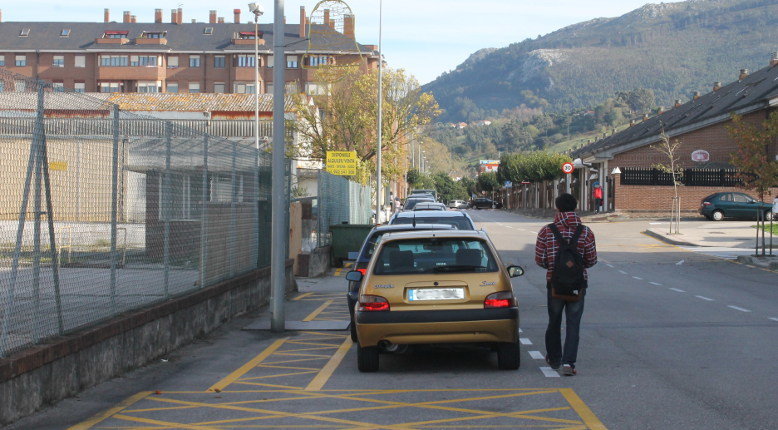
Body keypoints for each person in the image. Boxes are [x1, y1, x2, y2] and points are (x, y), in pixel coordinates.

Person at [535, 193, 597, 376]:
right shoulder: (586, 232)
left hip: (554, 283)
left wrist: (554, 268)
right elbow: (592, 260)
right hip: (578, 284)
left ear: (557, 208)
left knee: (554, 321)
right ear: (575, 208)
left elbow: (539, 259)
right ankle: (568, 363)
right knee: (573, 323)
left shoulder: (547, 231)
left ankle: (554, 358)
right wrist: (576, 268)